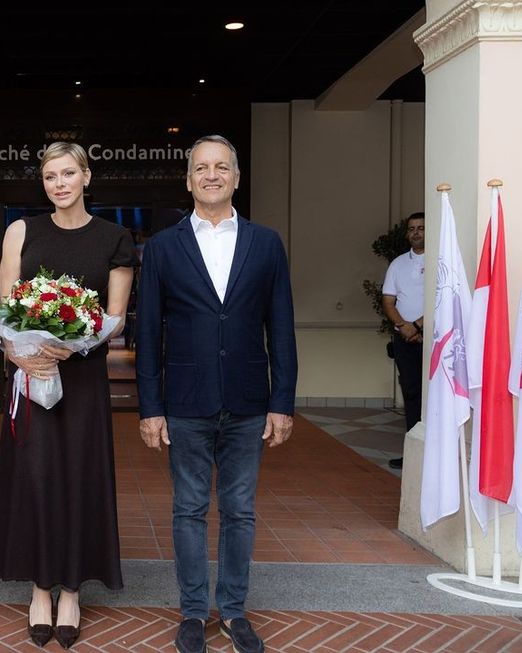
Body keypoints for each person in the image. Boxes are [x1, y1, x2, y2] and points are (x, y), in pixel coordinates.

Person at [135, 135, 297, 653]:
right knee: (187, 509)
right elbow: (147, 333)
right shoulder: (163, 247)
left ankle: (232, 610)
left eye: (221, 167)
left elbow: (281, 326)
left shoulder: (266, 243)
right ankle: (192, 612)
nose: (211, 175)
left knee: (239, 510)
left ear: (236, 177)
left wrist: (282, 401)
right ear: (188, 180)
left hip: (249, 400)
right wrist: (150, 407)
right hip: (185, 401)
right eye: (201, 168)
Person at [0, 142, 138, 649]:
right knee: (35, 477)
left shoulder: (115, 238)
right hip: (32, 375)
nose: (59, 184)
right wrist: (17, 352)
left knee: (78, 476)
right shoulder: (21, 231)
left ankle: (71, 589)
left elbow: (114, 318)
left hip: (84, 378)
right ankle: (39, 587)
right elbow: (7, 308)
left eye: (68, 173)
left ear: (86, 176)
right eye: (50, 176)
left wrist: (72, 346)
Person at [381, 212, 425, 470]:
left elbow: (441, 300)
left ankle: (434, 453)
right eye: (412, 229)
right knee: (411, 393)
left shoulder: (439, 259)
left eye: (421, 228)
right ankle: (413, 452)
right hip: (404, 339)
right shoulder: (397, 264)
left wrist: (418, 325)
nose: (416, 232)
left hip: (432, 339)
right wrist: (403, 326)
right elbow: (388, 301)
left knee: (434, 395)